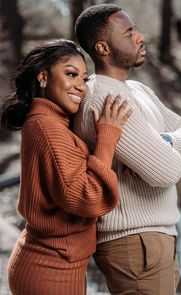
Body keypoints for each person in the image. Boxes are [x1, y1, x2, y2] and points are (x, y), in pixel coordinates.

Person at [74, 4, 181, 295]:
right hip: (134, 243)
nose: (140, 37)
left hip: (155, 240)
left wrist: (165, 143)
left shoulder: (138, 91)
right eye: (129, 32)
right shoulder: (104, 99)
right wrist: (168, 148)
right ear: (103, 48)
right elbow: (166, 171)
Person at [1, 39, 132, 295]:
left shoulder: (50, 121)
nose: (80, 87)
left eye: (84, 79)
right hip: (49, 270)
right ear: (43, 77)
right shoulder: (48, 128)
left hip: (54, 264)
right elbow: (87, 197)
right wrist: (107, 137)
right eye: (71, 74)